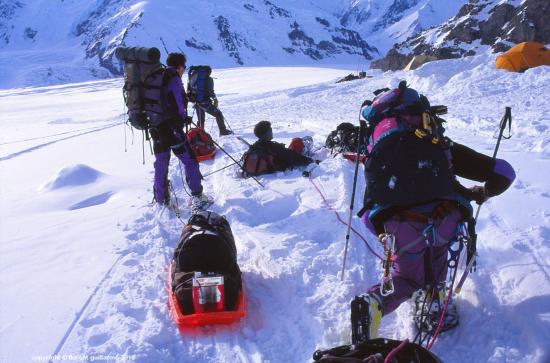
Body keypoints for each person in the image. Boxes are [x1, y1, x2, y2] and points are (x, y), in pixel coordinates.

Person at [352, 93, 516, 342]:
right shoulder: (439, 144)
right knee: (437, 254)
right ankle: (434, 301)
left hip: (395, 223)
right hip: (444, 217)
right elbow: (505, 173)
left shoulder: (376, 143)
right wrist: (483, 192)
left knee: (407, 275)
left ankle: (373, 304)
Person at [149, 52, 211, 209]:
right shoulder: (174, 78)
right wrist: (183, 118)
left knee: (161, 163)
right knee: (189, 160)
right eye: (184, 67)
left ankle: (161, 199)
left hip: (155, 128)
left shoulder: (158, 77)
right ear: (180, 66)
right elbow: (178, 103)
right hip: (172, 130)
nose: (184, 71)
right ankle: (197, 196)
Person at [193, 70, 232, 136]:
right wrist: (215, 99)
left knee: (201, 119)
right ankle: (223, 131)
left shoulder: (194, 78)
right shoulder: (209, 79)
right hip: (205, 103)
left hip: (196, 103)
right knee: (218, 114)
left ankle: (199, 134)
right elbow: (211, 92)